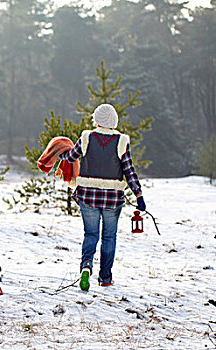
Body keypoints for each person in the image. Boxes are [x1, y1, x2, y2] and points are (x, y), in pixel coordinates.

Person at [59, 104, 146, 291]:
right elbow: (129, 170)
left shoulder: (87, 137)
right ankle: (105, 277)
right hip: (112, 198)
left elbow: (72, 156)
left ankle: (86, 267)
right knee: (109, 237)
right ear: (114, 121)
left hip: (88, 195)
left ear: (96, 119)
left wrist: (60, 154)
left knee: (90, 234)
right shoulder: (122, 141)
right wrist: (138, 194)